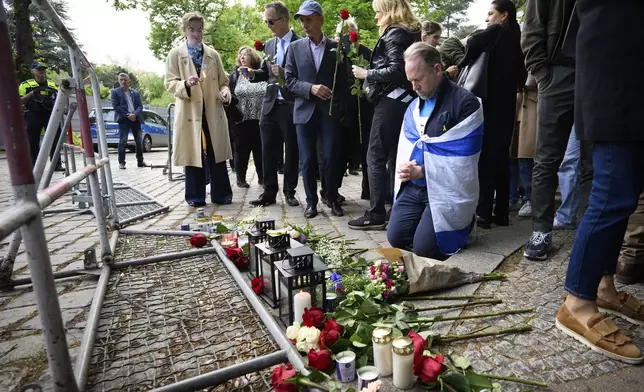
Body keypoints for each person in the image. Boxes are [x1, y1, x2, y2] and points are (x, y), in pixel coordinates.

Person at [556, 0, 644, 364]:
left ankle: (603, 286)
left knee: (626, 190)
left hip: (630, 69)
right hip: (616, 71)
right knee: (613, 193)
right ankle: (576, 301)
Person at [388, 42, 481, 259]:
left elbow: (464, 159)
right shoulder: (414, 104)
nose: (414, 87)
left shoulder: (466, 103)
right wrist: (407, 166)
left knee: (426, 249)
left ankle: (467, 223)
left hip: (447, 187)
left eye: (418, 79)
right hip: (415, 187)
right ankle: (425, 222)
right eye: (410, 80)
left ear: (437, 70)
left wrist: (423, 171)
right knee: (396, 238)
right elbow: (409, 143)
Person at [521, 0, 592, 260]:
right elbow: (532, 26)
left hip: (596, 73)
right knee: (547, 158)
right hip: (557, 72)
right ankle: (541, 231)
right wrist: (541, 72)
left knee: (594, 161)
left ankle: (590, 231)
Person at [348, 0, 421, 230]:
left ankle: (377, 212)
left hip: (390, 101)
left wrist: (366, 73)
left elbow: (397, 70)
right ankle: (395, 209)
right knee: (394, 157)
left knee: (375, 156)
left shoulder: (395, 33)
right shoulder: (409, 32)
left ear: (388, 11)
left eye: (378, 13)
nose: (377, 18)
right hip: (404, 101)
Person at [456, 0, 525, 229]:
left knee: (486, 157)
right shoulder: (518, 37)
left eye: (491, 13)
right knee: (502, 158)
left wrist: (464, 56)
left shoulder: (496, 31)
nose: (488, 18)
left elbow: (473, 43)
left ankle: (484, 213)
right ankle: (501, 212)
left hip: (491, 102)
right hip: (508, 103)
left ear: (504, 15)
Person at [285, 0, 347, 218]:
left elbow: (344, 80)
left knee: (330, 157)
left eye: (309, 19)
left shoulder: (336, 47)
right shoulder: (294, 48)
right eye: (302, 20)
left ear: (321, 19)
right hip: (304, 112)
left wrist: (339, 105)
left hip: (329, 113)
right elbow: (289, 81)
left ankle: (331, 197)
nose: (305, 24)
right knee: (308, 159)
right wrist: (311, 88)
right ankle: (311, 202)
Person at [164, 11, 233, 207]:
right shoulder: (175, 54)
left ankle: (222, 195)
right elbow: (169, 83)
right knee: (192, 154)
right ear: (184, 31)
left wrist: (225, 93)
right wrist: (185, 84)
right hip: (189, 112)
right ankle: (195, 196)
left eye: (199, 30)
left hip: (212, 109)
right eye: (191, 29)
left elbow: (224, 82)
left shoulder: (213, 54)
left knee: (217, 152)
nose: (196, 33)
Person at [246, 1, 300, 208]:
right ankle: (269, 192)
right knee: (267, 149)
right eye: (266, 22)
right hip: (269, 105)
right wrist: (253, 74)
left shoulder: (300, 43)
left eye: (270, 21)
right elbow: (266, 74)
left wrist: (285, 75)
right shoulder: (270, 45)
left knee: (291, 150)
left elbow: (302, 75)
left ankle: (289, 191)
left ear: (283, 20)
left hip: (290, 103)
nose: (268, 26)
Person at [337, 17, 373, 201]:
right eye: (344, 32)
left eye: (351, 30)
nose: (348, 36)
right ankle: (333, 191)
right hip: (344, 109)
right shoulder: (337, 56)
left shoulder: (366, 52)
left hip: (365, 107)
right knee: (342, 149)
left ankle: (368, 189)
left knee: (367, 149)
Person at [229, 47, 265, 188]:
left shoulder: (261, 73)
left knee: (260, 149)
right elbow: (230, 95)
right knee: (241, 149)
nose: (242, 57)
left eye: (245, 55)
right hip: (240, 119)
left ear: (253, 58)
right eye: (240, 55)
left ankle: (262, 177)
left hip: (260, 118)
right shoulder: (235, 75)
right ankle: (241, 179)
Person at [18, 62, 64, 171]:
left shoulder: (52, 85)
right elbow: (20, 101)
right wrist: (31, 94)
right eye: (39, 69)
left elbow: (60, 99)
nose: (41, 71)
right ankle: (34, 165)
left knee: (55, 139)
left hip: (51, 115)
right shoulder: (26, 85)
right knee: (33, 140)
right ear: (33, 71)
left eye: (43, 69)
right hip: (33, 114)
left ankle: (56, 165)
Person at [509, 73, 537, 217]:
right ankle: (513, 196)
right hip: (517, 104)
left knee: (526, 156)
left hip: (529, 102)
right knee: (513, 156)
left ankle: (530, 199)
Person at [110, 73, 147, 170]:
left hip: (136, 119)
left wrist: (134, 114)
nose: (123, 81)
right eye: (121, 80)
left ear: (128, 80)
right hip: (124, 120)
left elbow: (140, 106)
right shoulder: (115, 92)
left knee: (139, 141)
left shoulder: (135, 93)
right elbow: (116, 106)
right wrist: (128, 115)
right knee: (123, 141)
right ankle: (121, 162)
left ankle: (140, 161)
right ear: (119, 80)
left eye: (125, 80)